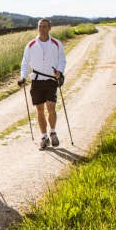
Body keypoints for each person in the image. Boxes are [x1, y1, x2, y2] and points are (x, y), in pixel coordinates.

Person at [18, 18, 67, 150]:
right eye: (40, 26)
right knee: (39, 109)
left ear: (49, 28)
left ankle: (53, 132)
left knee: (51, 107)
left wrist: (60, 72)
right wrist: (23, 77)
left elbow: (62, 60)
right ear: (38, 28)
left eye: (45, 26)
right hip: (37, 80)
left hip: (51, 80)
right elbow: (25, 62)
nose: (43, 29)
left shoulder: (57, 44)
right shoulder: (31, 44)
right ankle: (44, 137)